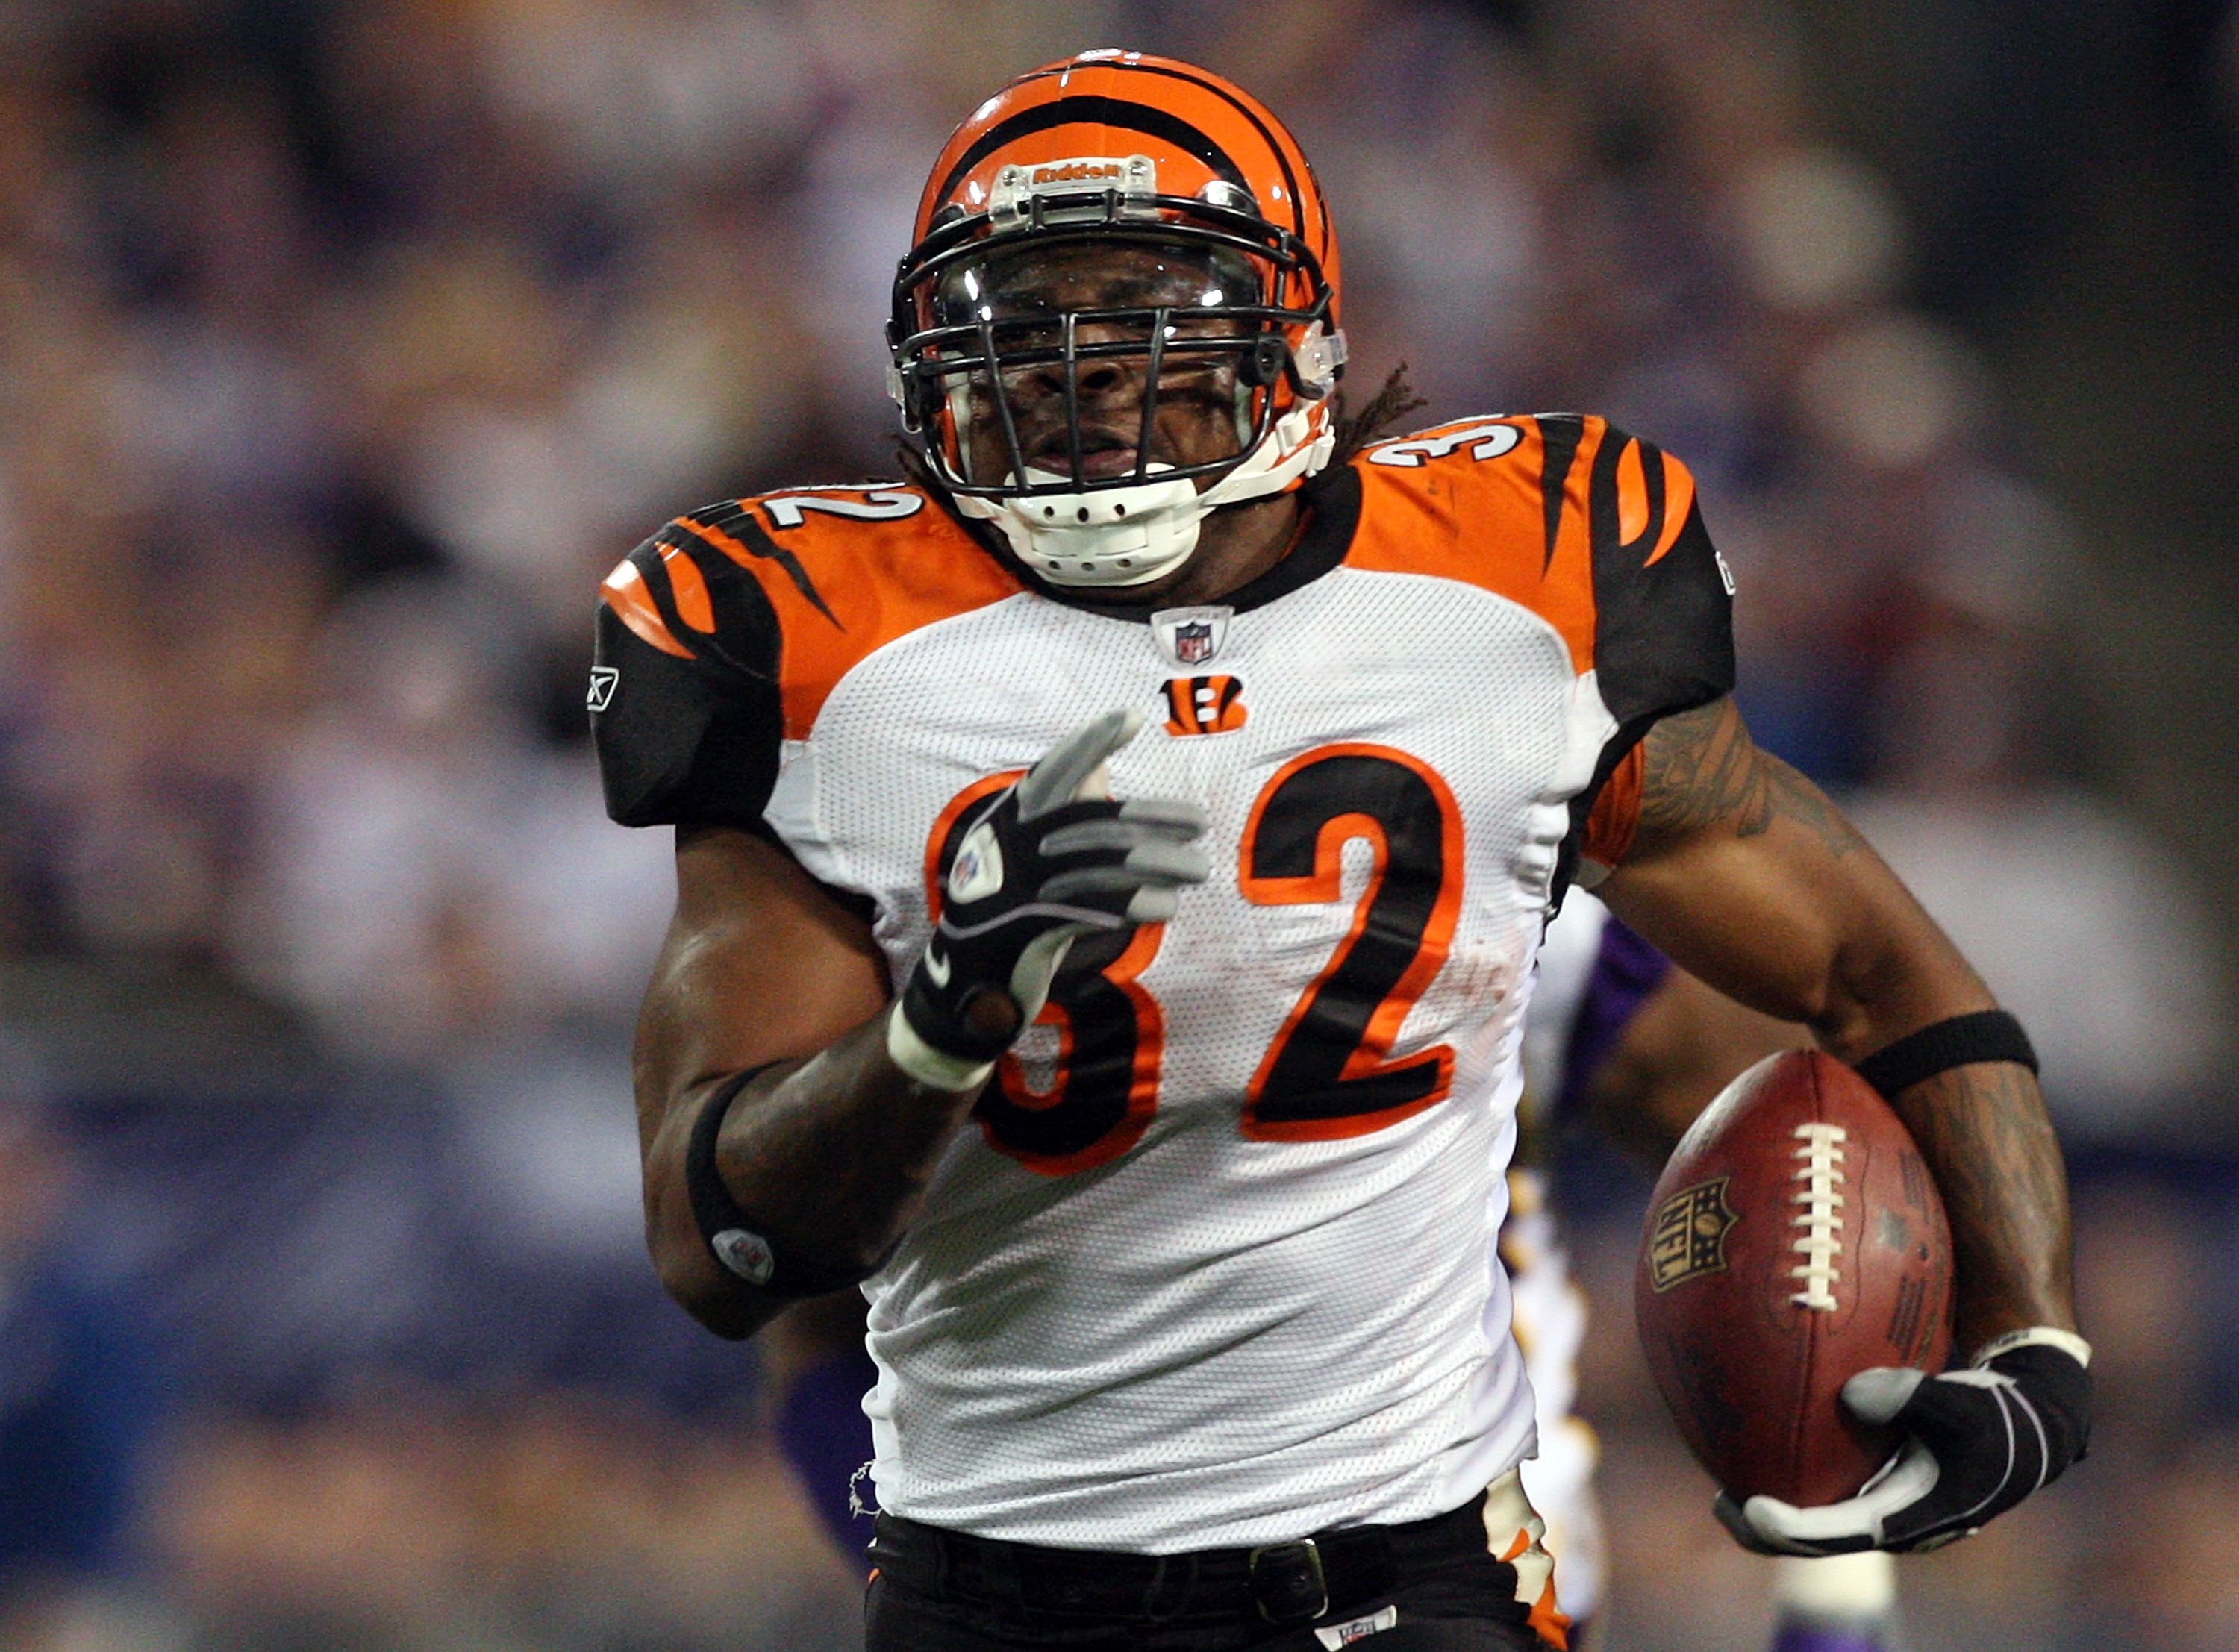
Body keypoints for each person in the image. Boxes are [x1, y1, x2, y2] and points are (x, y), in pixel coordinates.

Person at [592, 52, 2089, 1652]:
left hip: (1415, 1575)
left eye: (1148, 307)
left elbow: (1866, 970)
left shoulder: (1518, 588)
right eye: (1030, 317)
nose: (1089, 368)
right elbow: (721, 1244)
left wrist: (2030, 1339)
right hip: (998, 1583)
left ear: (1295, 330)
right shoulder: (811, 647)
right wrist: (935, 1029)